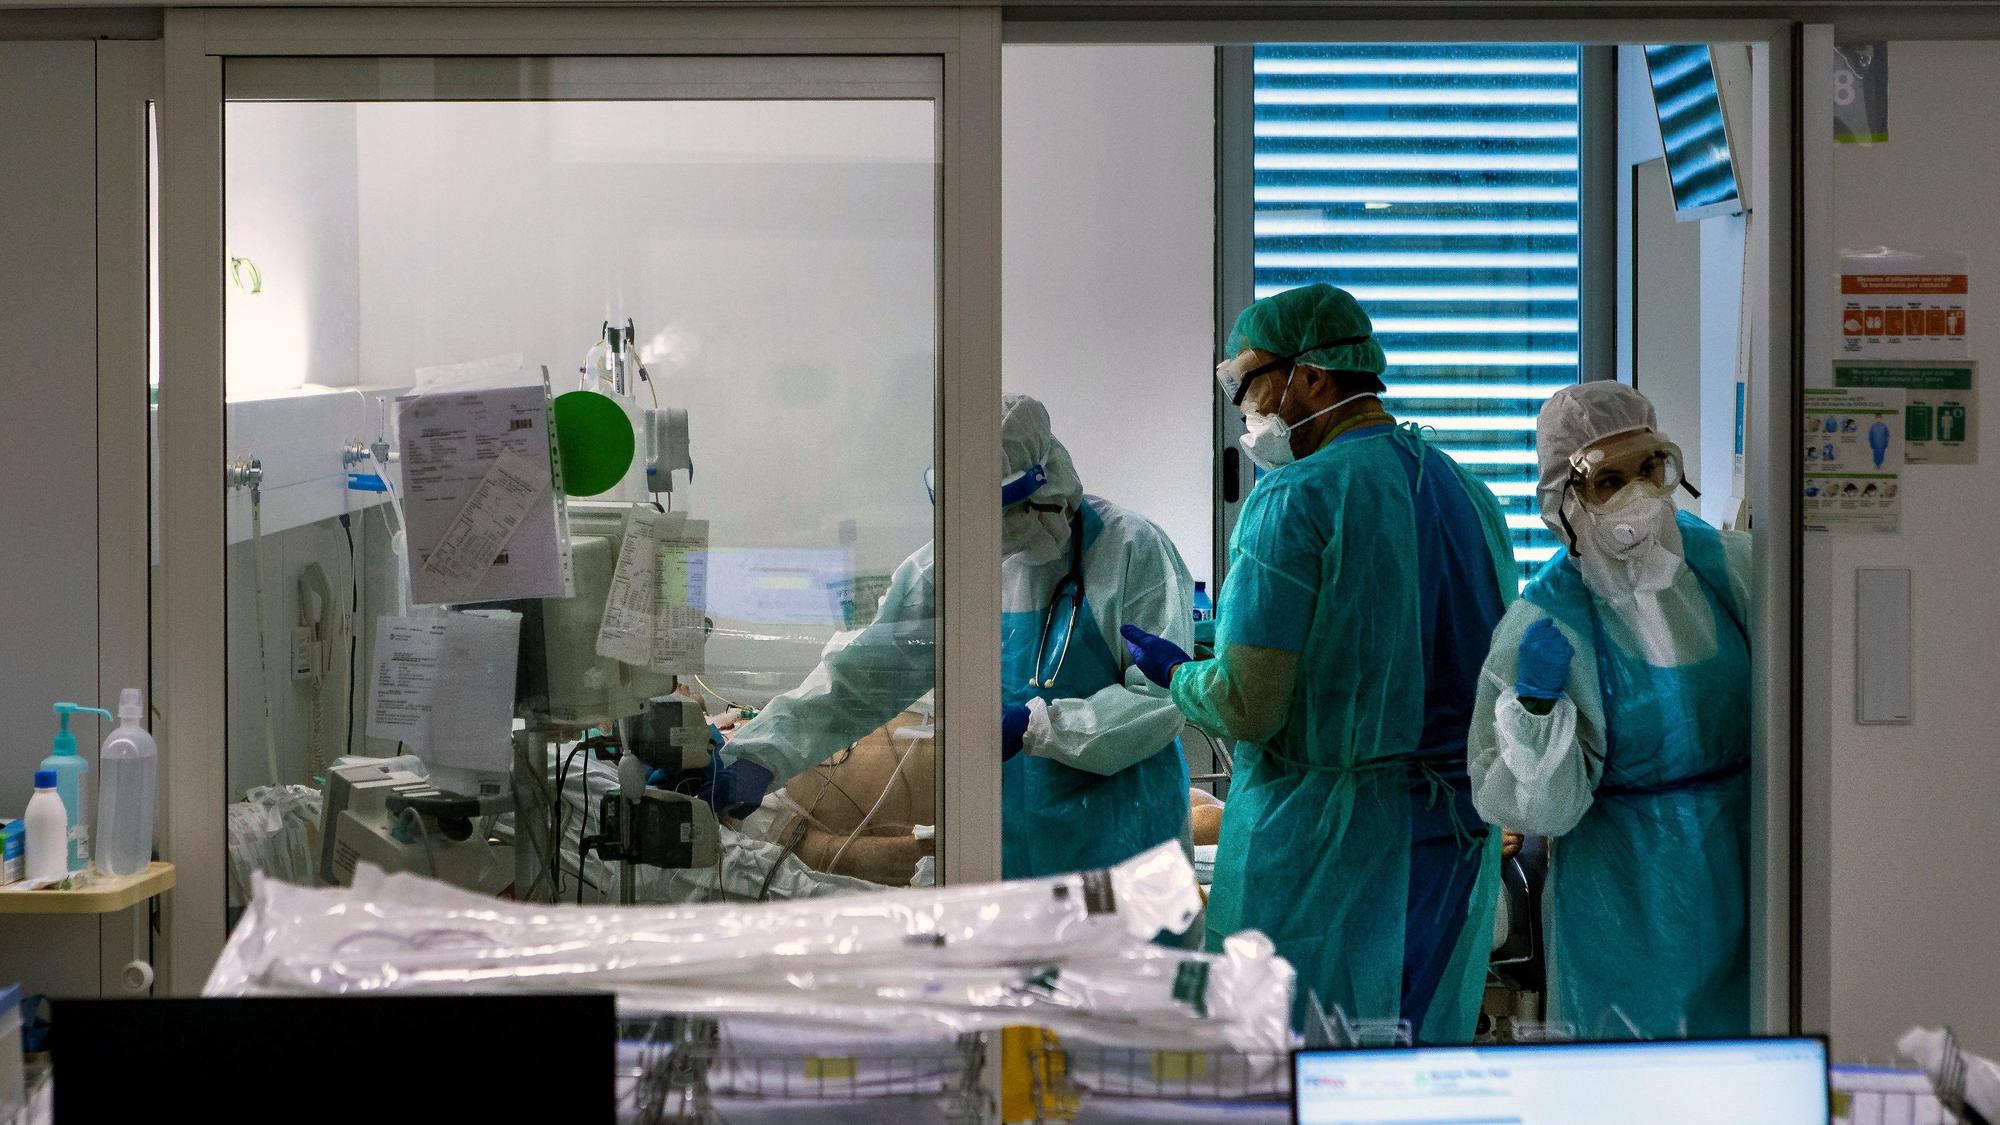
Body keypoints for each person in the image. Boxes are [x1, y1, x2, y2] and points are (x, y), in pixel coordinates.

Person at [1119, 283, 1517, 1041]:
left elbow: (1247, 704)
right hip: (1451, 841)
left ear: (1311, 375)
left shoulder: (1293, 498)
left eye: (1248, 383)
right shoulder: (1466, 493)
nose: (1244, 409)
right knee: (1413, 1068)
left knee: (1296, 1070)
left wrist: (1179, 672)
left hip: (1326, 849)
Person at [703, 393, 1195, 879]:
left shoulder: (1130, 552)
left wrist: (1044, 726)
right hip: (996, 844)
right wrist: (752, 760)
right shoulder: (942, 569)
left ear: (1049, 486)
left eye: (1004, 508)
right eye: (971, 512)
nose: (988, 532)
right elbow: (857, 684)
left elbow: (1162, 701)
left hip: (1124, 843)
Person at [1467, 380, 1752, 1039]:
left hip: (1750, 870)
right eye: (1608, 479)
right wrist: (1534, 714)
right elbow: (1534, 808)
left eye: (1650, 468)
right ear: (1562, 499)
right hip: (1622, 897)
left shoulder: (1731, 569)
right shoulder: (1546, 619)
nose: (1636, 493)